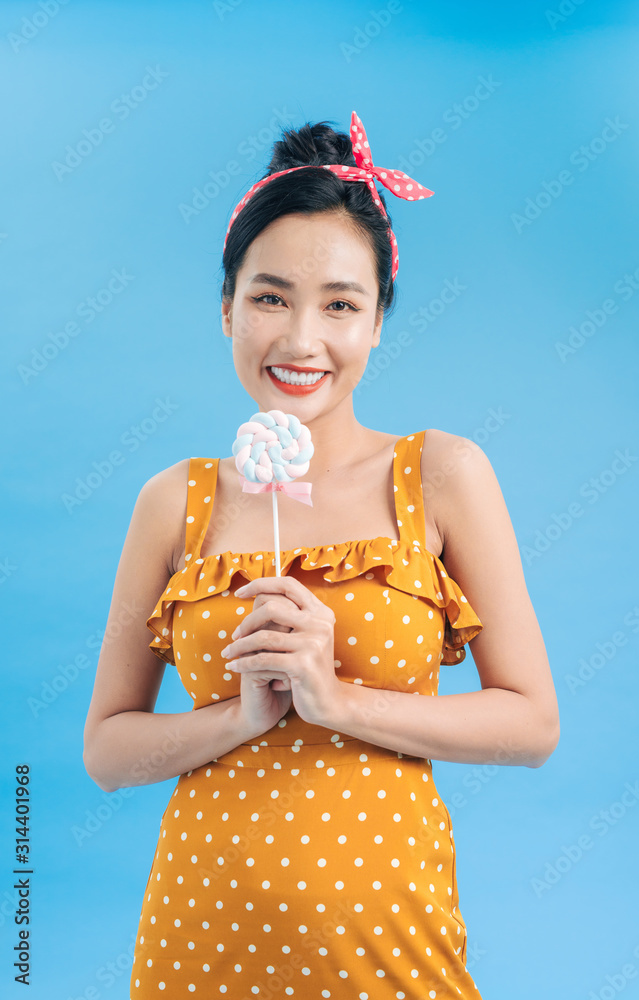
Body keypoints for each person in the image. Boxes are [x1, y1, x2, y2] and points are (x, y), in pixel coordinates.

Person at [83, 110, 559, 999]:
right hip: (197, 944)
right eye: (269, 297)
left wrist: (335, 698)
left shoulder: (442, 474)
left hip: (386, 942)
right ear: (226, 307)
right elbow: (108, 752)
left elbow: (531, 725)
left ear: (377, 322)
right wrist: (238, 719)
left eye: (340, 304)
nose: (301, 341)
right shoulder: (171, 501)